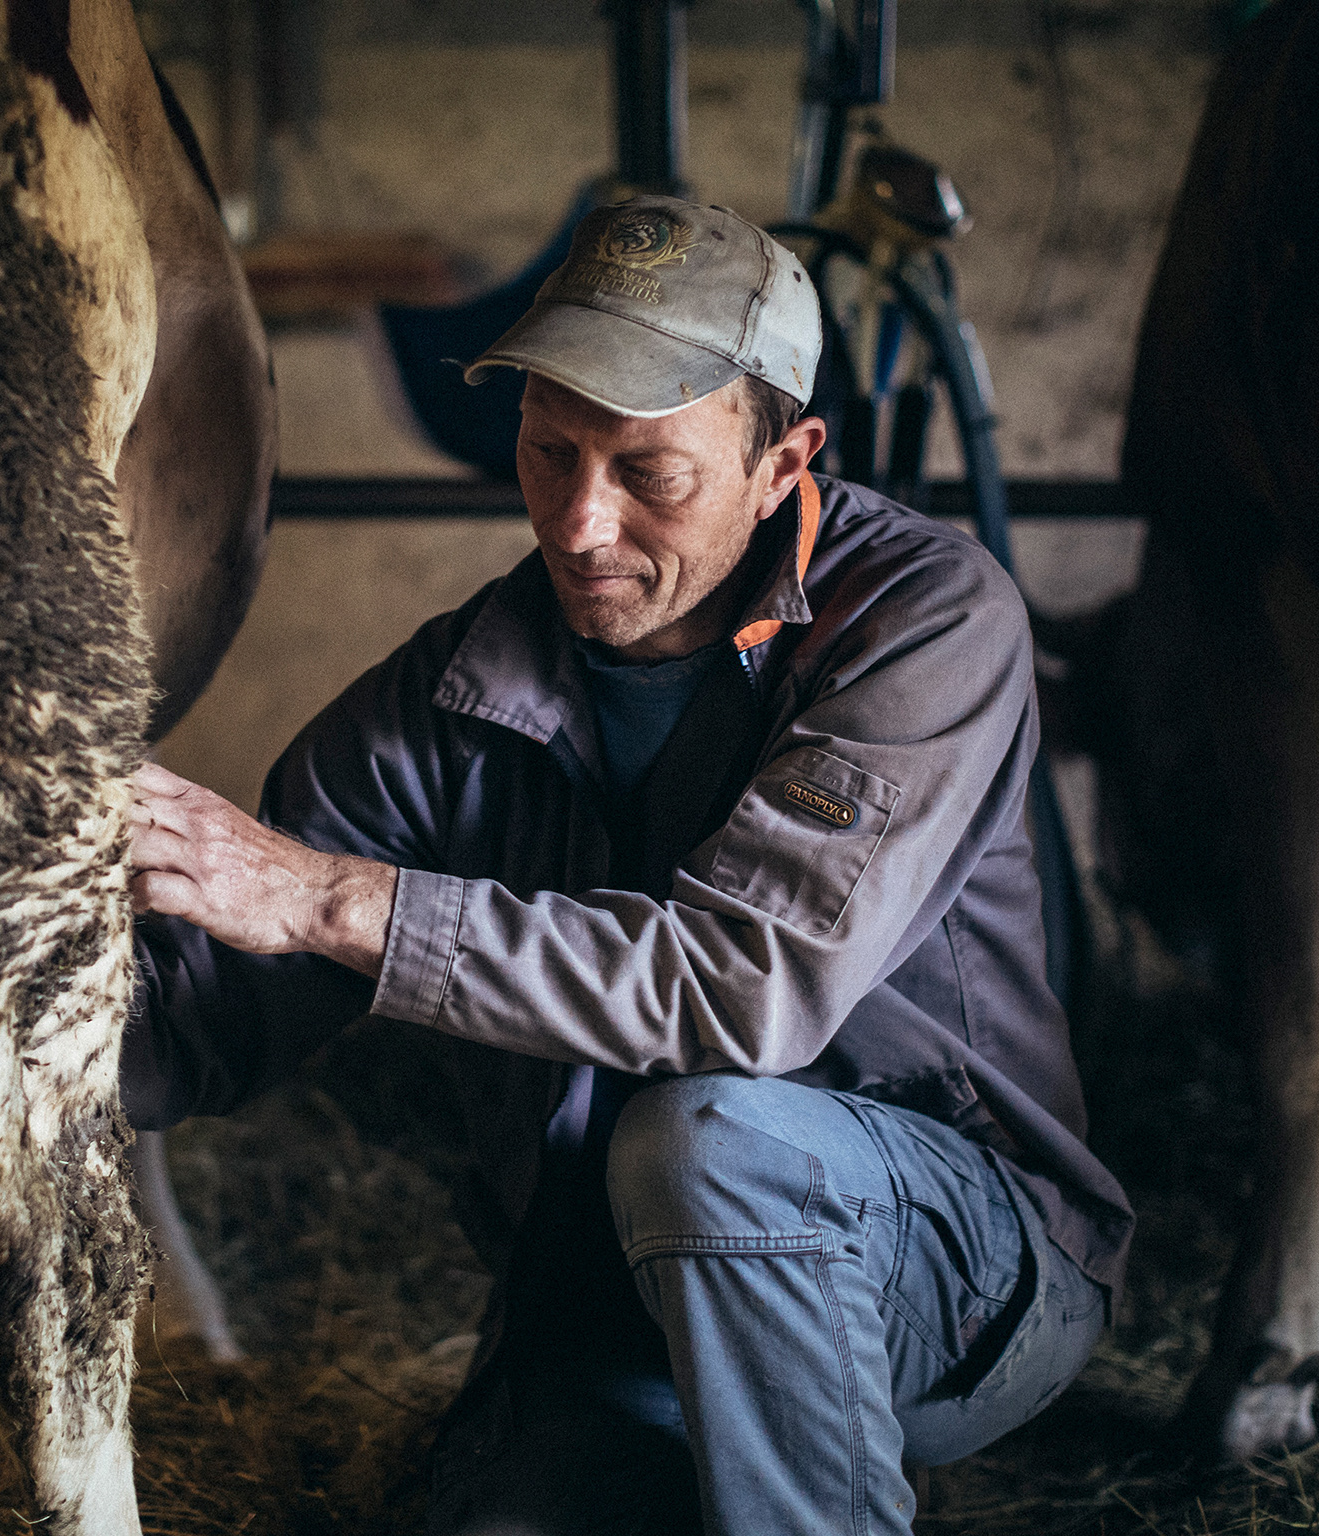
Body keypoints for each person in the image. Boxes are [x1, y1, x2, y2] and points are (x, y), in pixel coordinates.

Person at [123, 196, 1132, 1536]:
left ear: (786, 466)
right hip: (612, 1287)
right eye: (550, 454)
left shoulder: (925, 621)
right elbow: (202, 1011)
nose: (582, 527)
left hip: (959, 1262)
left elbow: (744, 990)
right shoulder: (456, 690)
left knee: (715, 1137)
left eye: (649, 474)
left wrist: (322, 897)